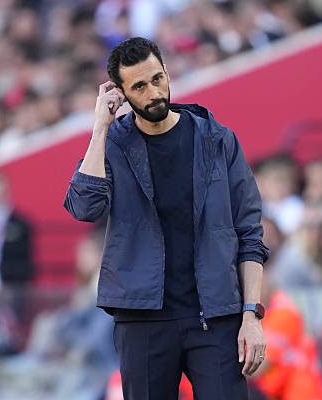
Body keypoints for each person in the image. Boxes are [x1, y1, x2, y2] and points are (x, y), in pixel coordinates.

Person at [63, 37, 270, 400]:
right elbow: (84, 207)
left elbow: (250, 234)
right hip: (143, 319)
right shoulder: (114, 144)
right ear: (122, 93)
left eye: (157, 79)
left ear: (167, 73)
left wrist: (251, 316)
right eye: (139, 87)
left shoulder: (217, 139)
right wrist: (100, 127)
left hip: (215, 314)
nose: (154, 93)